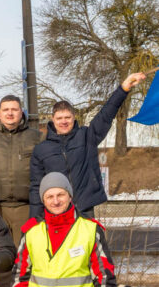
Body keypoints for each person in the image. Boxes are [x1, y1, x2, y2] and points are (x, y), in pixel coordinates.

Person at [29, 72, 146, 218]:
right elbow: (36, 187)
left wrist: (123, 89)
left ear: (74, 117)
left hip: (84, 208)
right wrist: (34, 220)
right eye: (59, 118)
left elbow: (105, 115)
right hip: (56, 211)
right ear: (52, 119)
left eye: (67, 117)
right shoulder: (41, 149)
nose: (64, 121)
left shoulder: (86, 136)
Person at [0, 95, 44, 247]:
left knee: (25, 253)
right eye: (5, 109)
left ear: (22, 113)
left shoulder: (37, 138)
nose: (10, 113)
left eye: (14, 109)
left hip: (26, 208)